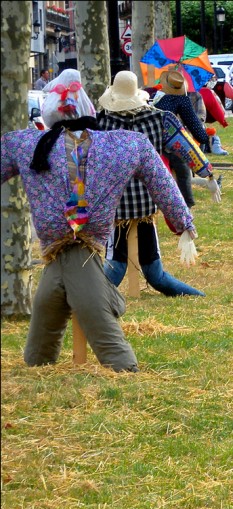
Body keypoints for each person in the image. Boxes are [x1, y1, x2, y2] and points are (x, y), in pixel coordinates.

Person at [1, 70, 196, 372]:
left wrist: (183, 221)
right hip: (80, 237)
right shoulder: (125, 144)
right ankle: (40, 359)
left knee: (87, 303)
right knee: (50, 298)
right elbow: (163, 181)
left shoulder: (27, 144)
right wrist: (183, 222)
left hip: (81, 238)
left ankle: (121, 364)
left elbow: (162, 181)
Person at [96, 70, 219, 298]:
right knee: (154, 272)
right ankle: (198, 296)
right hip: (147, 201)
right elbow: (188, 148)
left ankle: (83, 300)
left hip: (115, 205)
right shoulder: (160, 119)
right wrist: (208, 175)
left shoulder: (100, 122)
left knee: (117, 266)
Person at [153, 68, 210, 208]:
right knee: (183, 171)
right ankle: (186, 206)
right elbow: (199, 132)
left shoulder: (156, 98)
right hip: (169, 146)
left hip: (151, 146)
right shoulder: (181, 99)